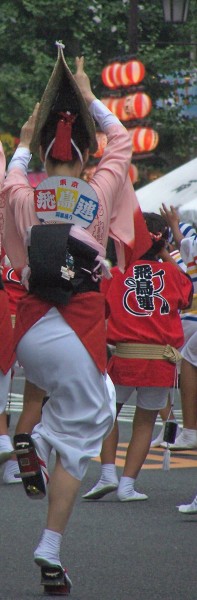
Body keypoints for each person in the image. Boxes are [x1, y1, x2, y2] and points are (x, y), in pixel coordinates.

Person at [3, 44, 151, 593]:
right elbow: (123, 142)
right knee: (93, 419)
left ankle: (39, 459)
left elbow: (14, 174)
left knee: (78, 419)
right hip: (76, 324)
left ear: (43, 155)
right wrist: (91, 100)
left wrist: (22, 141)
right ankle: (39, 466)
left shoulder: (22, 194)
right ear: (86, 154)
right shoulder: (98, 186)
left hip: (32, 331)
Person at [83, 212, 193, 502]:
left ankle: (108, 473)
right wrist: (165, 254)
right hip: (159, 361)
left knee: (109, 415)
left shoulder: (116, 273)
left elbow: (100, 312)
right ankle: (127, 485)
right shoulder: (172, 274)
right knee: (144, 422)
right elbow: (187, 292)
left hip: (123, 357)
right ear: (162, 244)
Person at [151, 218, 197, 448]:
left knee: (160, 374)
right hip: (185, 322)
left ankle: (178, 428)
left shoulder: (177, 259)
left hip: (185, 323)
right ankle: (172, 429)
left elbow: (181, 287)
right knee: (168, 377)